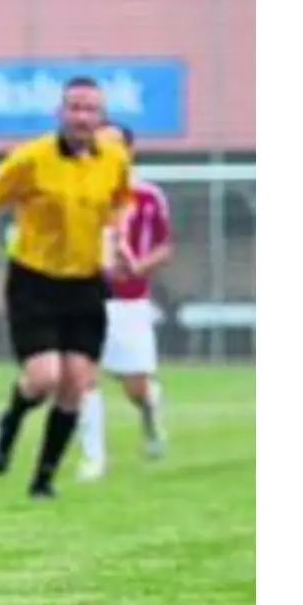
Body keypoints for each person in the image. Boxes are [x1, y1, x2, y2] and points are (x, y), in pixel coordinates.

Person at [0, 77, 132, 499]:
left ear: (101, 117)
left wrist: (123, 244)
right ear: (60, 113)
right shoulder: (33, 158)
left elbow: (120, 204)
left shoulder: (114, 158)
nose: (81, 116)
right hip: (34, 280)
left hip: (85, 282)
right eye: (74, 107)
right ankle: (10, 421)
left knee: (76, 383)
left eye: (89, 109)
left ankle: (43, 478)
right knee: (44, 378)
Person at [77, 124, 172, 480]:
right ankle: (93, 458)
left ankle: (150, 414)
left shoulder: (148, 197)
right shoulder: (80, 193)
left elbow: (165, 247)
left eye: (114, 144)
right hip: (84, 298)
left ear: (130, 151)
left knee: (135, 386)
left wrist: (136, 268)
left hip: (129, 304)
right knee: (82, 377)